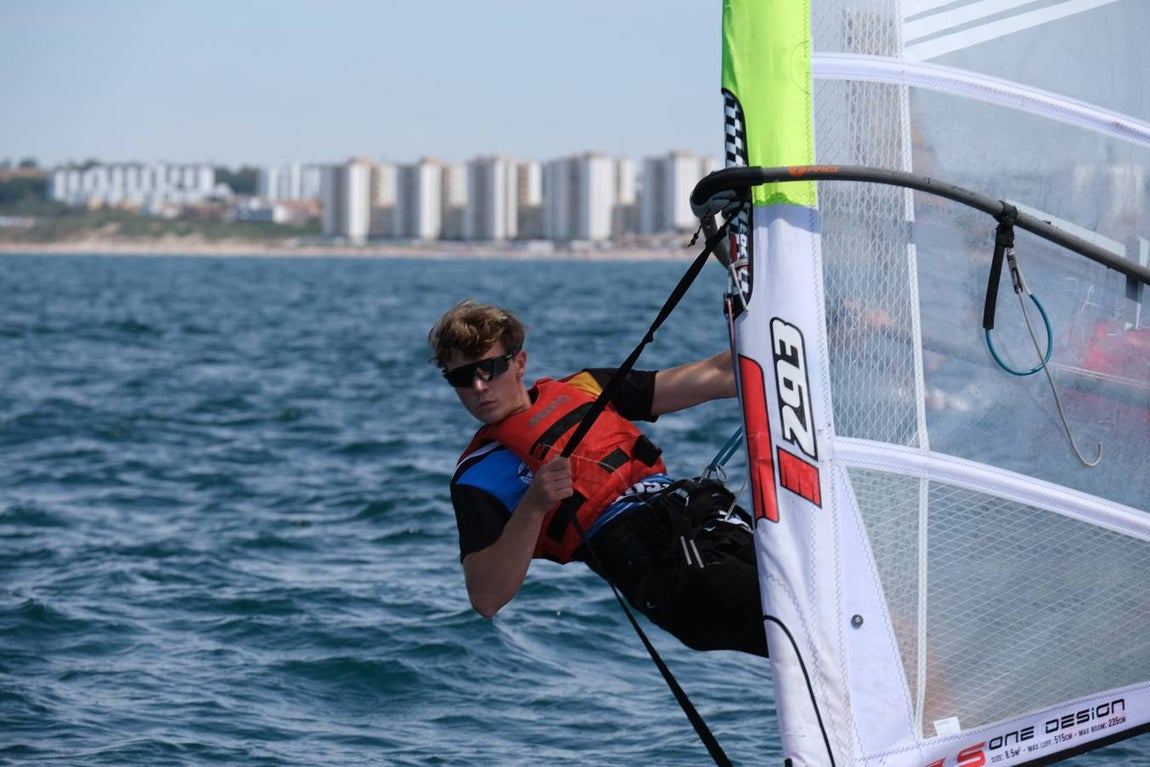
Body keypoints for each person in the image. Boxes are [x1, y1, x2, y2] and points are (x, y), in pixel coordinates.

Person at [428, 299, 768, 657]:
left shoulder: (587, 388)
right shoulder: (475, 477)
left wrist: (821, 332)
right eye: (462, 378)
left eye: (490, 368)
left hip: (705, 520)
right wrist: (533, 506)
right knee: (787, 617)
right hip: (662, 569)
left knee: (820, 594)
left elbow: (720, 375)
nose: (479, 387)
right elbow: (486, 598)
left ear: (519, 363)